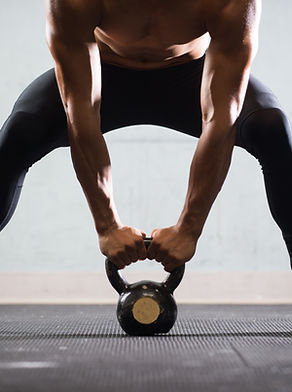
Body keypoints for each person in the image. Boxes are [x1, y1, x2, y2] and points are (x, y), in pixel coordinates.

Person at [1, 0, 291, 272]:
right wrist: (107, 226)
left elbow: (220, 118)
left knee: (270, 126)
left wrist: (189, 228)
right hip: (104, 70)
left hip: (191, 74)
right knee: (22, 130)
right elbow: (82, 114)